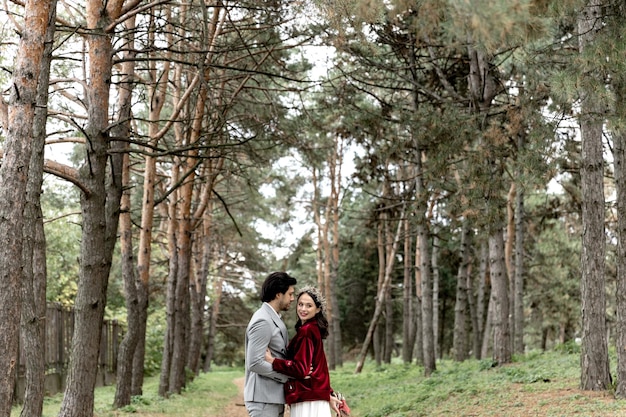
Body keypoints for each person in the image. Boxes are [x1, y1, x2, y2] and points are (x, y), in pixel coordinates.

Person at [265, 286, 341, 417]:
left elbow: (301, 369)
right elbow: (319, 368)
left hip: (308, 400)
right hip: (314, 398)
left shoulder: (307, 331)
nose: (303, 309)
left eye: (309, 305)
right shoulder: (313, 329)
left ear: (318, 309)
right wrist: (328, 394)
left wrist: (273, 361)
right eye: (300, 304)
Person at [244, 271, 297, 417]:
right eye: (290, 294)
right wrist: (286, 377)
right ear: (278, 294)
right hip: (263, 400)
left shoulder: (273, 318)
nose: (292, 299)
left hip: (271, 397)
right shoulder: (263, 321)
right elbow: (254, 363)